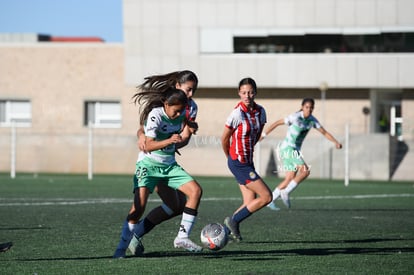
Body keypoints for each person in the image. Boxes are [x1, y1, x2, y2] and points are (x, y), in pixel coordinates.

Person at [113, 86, 203, 258]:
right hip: (148, 166)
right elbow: (148, 145)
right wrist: (169, 140)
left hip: (169, 166)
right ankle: (121, 249)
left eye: (180, 112)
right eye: (175, 111)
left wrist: (190, 128)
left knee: (195, 191)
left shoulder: (182, 114)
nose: (178, 115)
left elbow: (179, 141)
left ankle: (182, 237)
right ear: (166, 104)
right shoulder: (155, 114)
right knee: (138, 208)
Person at [261, 98, 342, 210]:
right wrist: (264, 135)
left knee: (289, 179)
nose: (309, 109)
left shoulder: (313, 121)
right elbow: (277, 123)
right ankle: (286, 192)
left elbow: (324, 132)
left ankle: (271, 200)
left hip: (293, 150)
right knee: (305, 171)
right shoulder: (295, 117)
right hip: (288, 148)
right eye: (307, 107)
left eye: (311, 108)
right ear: (302, 107)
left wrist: (335, 142)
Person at [221, 77, 273, 242]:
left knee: (250, 201)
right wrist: (230, 156)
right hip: (238, 162)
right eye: (243, 92)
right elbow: (224, 139)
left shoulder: (261, 112)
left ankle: (221, 233)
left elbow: (256, 135)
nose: (247, 95)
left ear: (255, 93)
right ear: (239, 93)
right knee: (266, 197)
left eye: (250, 92)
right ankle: (234, 221)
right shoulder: (237, 113)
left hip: (247, 161)